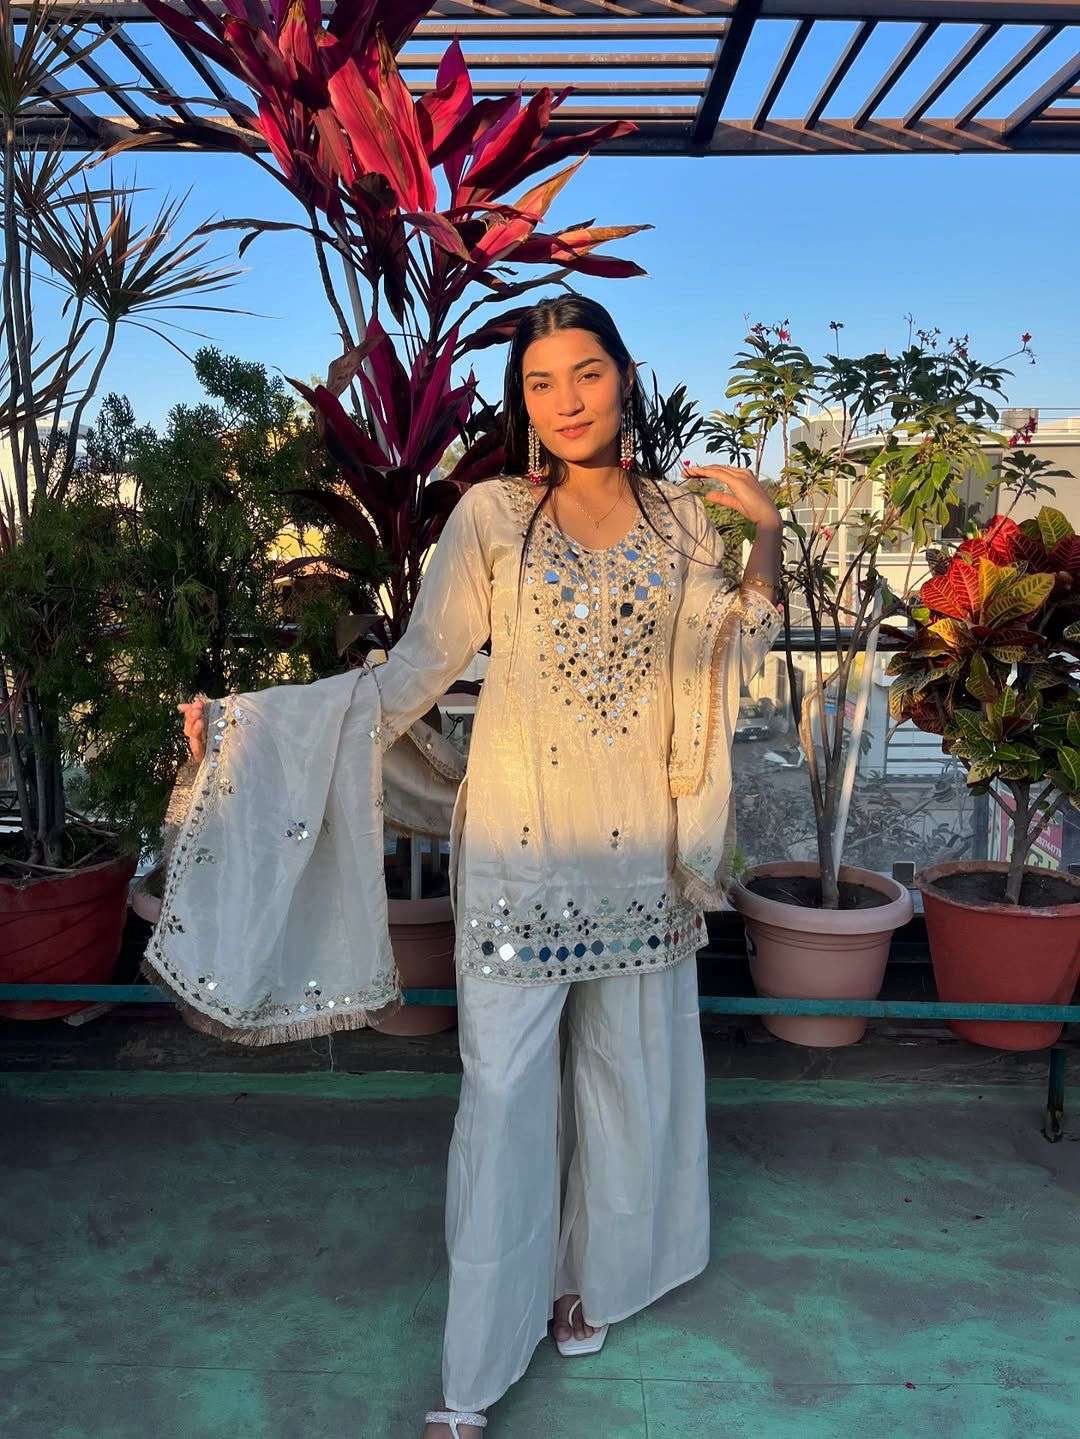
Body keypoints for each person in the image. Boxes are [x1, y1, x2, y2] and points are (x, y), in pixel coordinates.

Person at [170, 295, 783, 1439]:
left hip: (641, 850)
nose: (566, 400)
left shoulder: (681, 521)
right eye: (541, 383)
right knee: (502, 1099)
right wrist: (254, 725)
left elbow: (729, 653)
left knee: (629, 1078)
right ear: (523, 402)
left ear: (624, 375)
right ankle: (475, 1368)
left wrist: (767, 531)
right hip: (519, 850)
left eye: (586, 372)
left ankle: (590, 1284)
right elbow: (412, 672)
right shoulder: (493, 516)